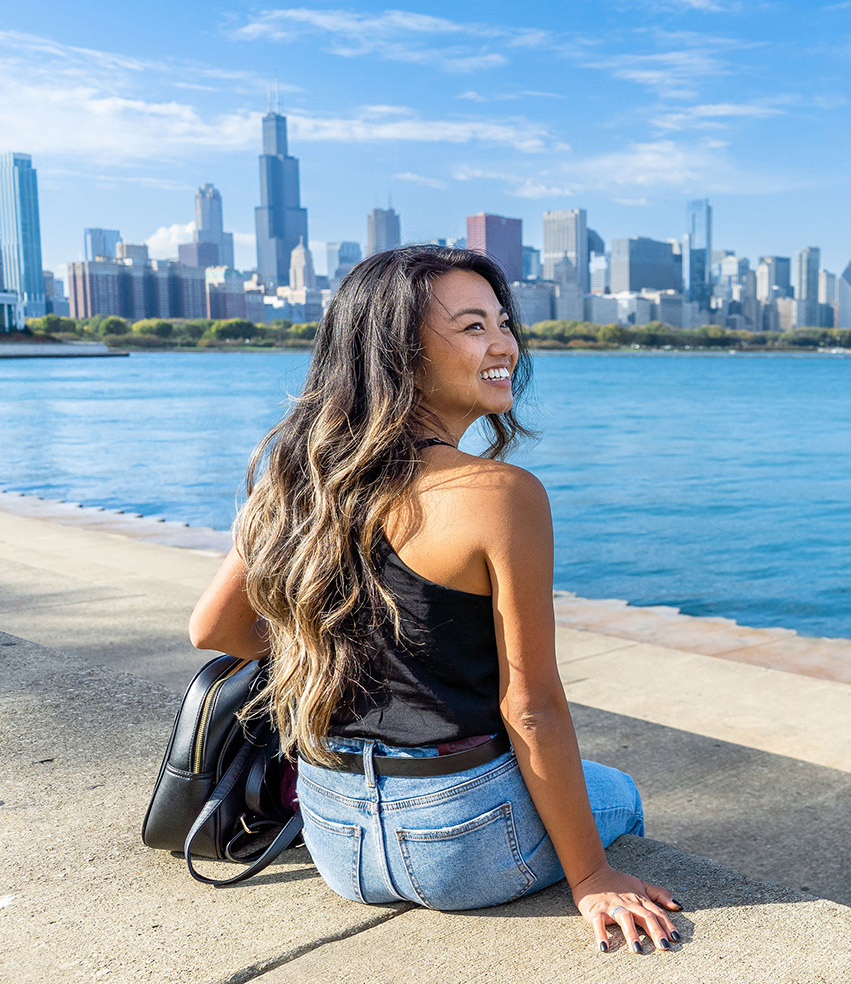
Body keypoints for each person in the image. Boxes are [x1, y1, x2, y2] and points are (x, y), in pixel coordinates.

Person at [187, 245, 680, 955]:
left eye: (504, 322)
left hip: (336, 838)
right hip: (460, 843)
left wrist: (332, 638)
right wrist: (593, 875)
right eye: (474, 326)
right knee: (620, 794)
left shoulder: (300, 475)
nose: (505, 343)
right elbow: (531, 707)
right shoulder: (500, 495)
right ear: (400, 350)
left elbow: (215, 627)